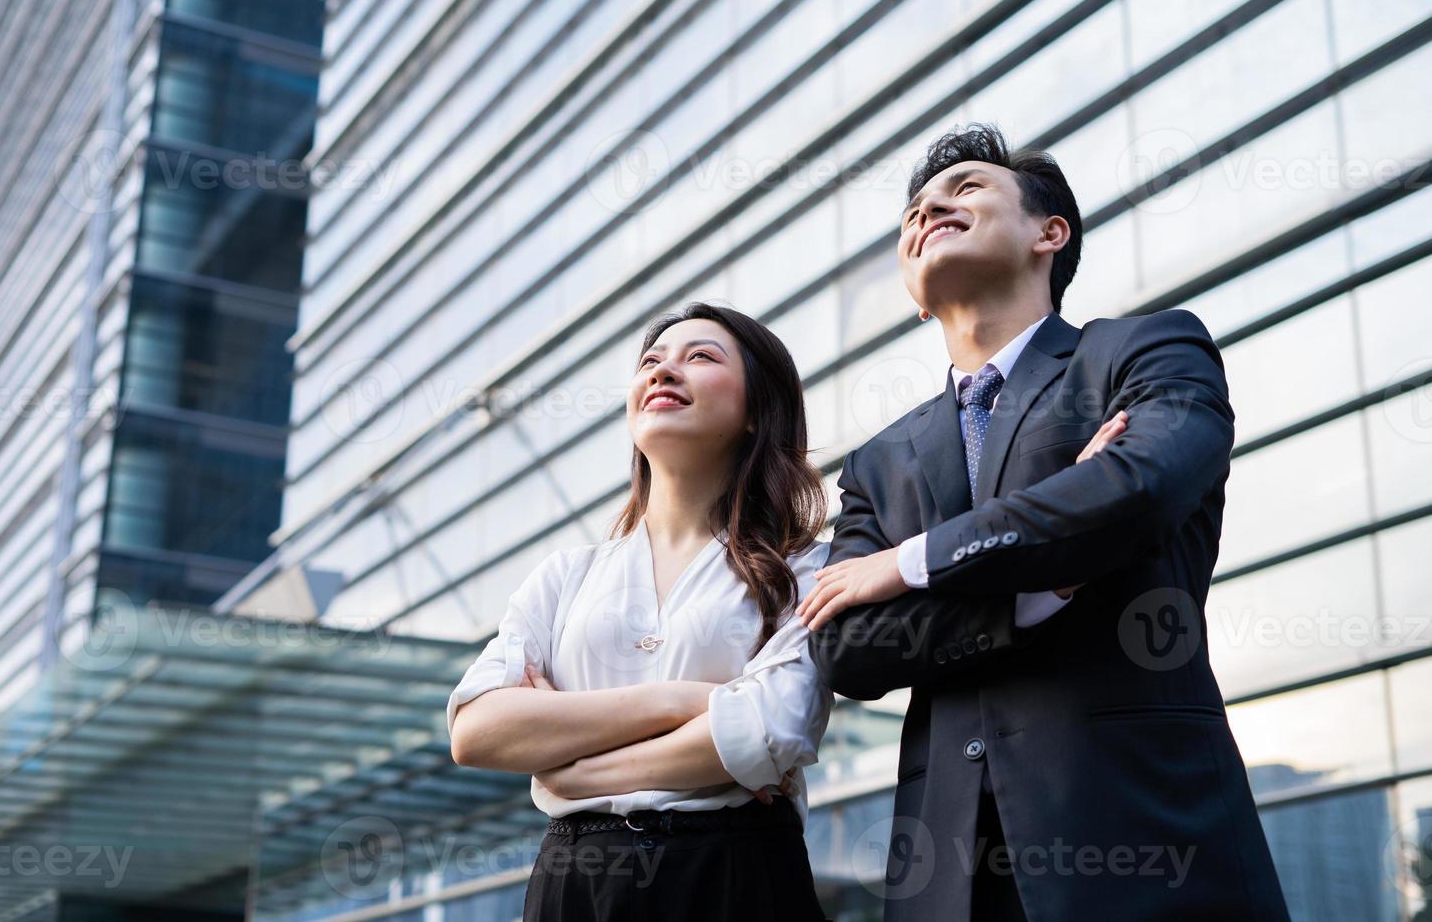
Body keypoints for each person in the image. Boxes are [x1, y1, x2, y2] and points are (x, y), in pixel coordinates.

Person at [799, 123, 1290, 920]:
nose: (929, 210)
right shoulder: (877, 463)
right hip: (947, 873)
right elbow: (847, 647)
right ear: (917, 299)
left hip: (1142, 838)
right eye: (915, 209)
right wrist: (1048, 579)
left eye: (964, 191)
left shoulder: (1146, 351)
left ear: (1048, 233)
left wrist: (912, 562)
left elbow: (1140, 489)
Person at [448, 302, 833, 922]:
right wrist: (691, 701)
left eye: (699, 357)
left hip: (734, 874)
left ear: (759, 410)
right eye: (651, 362)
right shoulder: (564, 576)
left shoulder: (808, 570)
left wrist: (570, 774)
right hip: (575, 881)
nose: (662, 372)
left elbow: (766, 730)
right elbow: (476, 731)